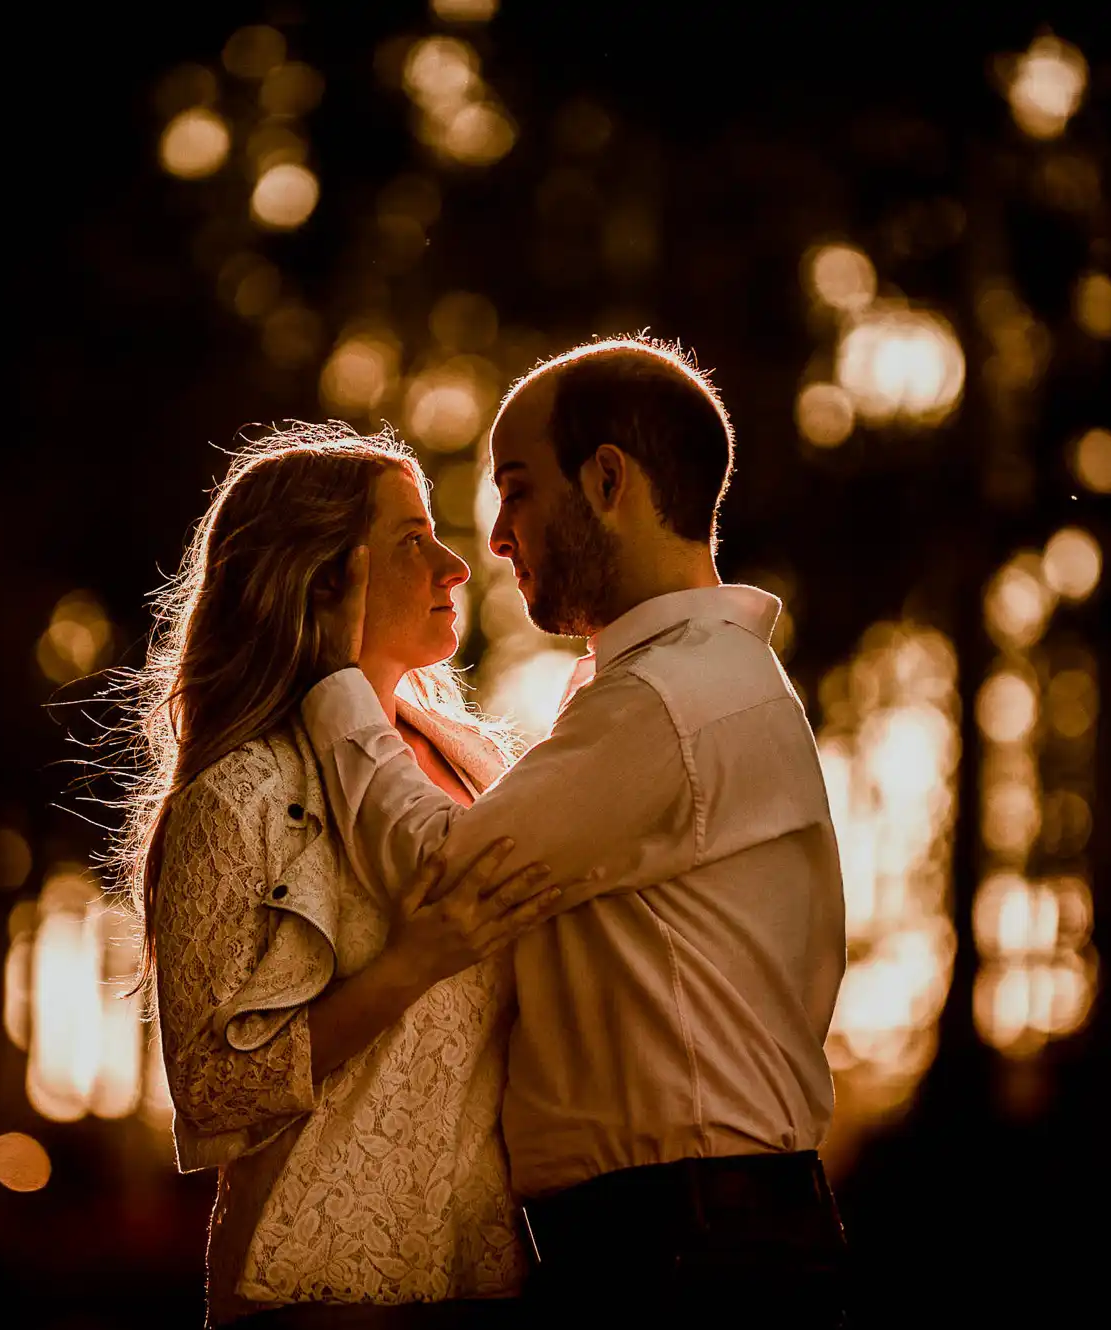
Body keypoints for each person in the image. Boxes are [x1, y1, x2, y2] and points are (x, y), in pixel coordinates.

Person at [303, 336, 851, 1316]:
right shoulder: (682, 684)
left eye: (515, 491)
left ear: (606, 480)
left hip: (685, 1254)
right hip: (692, 1238)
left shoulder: (670, 702)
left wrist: (336, 679)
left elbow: (441, 871)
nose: (495, 539)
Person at [118, 426, 585, 1327]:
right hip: (316, 1286)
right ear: (322, 577)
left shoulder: (479, 768)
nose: (456, 567)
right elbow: (210, 1088)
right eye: (413, 540)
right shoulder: (238, 795)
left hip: (489, 1274)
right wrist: (409, 966)